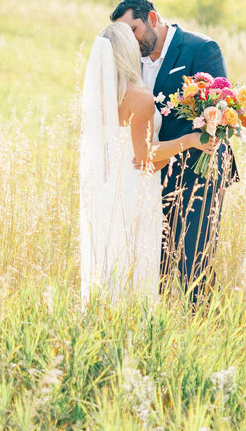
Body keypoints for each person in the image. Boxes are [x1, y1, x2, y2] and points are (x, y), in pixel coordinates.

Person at [109, 0, 239, 305]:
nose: (131, 40)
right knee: (158, 261)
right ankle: (165, 328)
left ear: (152, 19)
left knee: (193, 260)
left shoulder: (200, 49)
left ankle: (205, 327)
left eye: (134, 30)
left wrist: (199, 137)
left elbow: (221, 112)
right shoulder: (129, 61)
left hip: (199, 170)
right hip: (152, 175)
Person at [79, 21, 210, 302]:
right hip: (134, 185)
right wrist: (190, 141)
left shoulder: (101, 97)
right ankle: (135, 320)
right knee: (137, 256)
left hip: (107, 183)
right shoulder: (139, 97)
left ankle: (106, 313)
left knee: (111, 251)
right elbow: (144, 155)